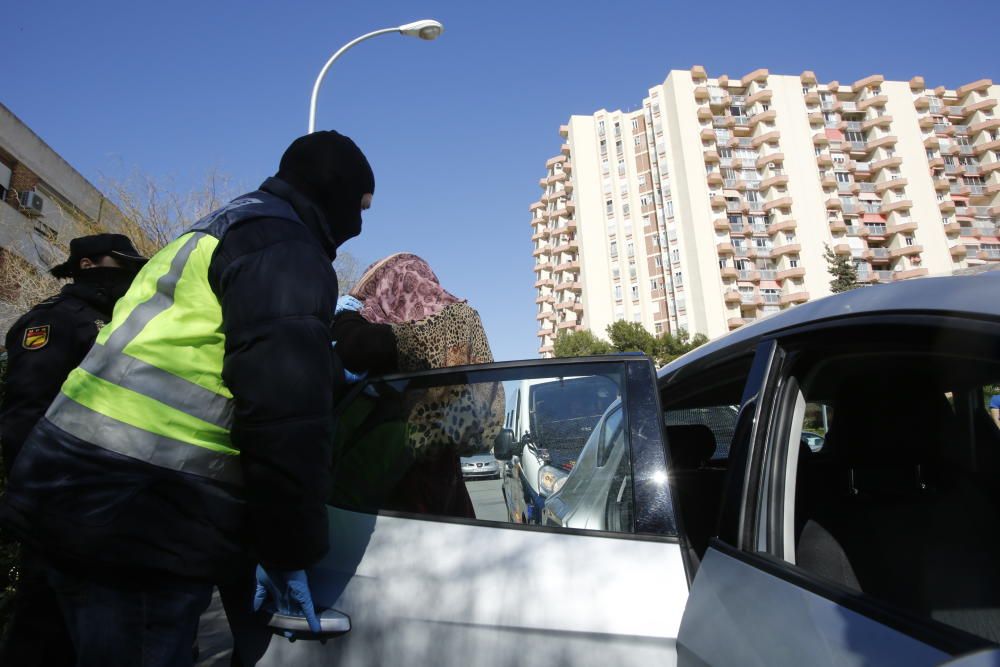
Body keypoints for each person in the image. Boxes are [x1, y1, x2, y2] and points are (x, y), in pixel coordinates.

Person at [0, 130, 374, 667]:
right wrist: (290, 547)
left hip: (64, 488)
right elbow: (284, 412)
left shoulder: (219, 228)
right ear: (333, 192)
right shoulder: (285, 247)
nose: (359, 224)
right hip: (143, 514)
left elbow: (203, 350)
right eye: (360, 206)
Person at [0, 233, 147, 667]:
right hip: (59, 499)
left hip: (106, 502)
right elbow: (25, 413)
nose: (129, 277)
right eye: (121, 266)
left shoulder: (121, 324)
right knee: (41, 629)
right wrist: (33, 497)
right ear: (88, 265)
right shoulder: (55, 322)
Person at [331, 253, 504, 518]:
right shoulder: (444, 330)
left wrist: (347, 315)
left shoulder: (380, 336)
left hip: (374, 502)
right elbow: (479, 426)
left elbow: (355, 346)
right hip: (439, 491)